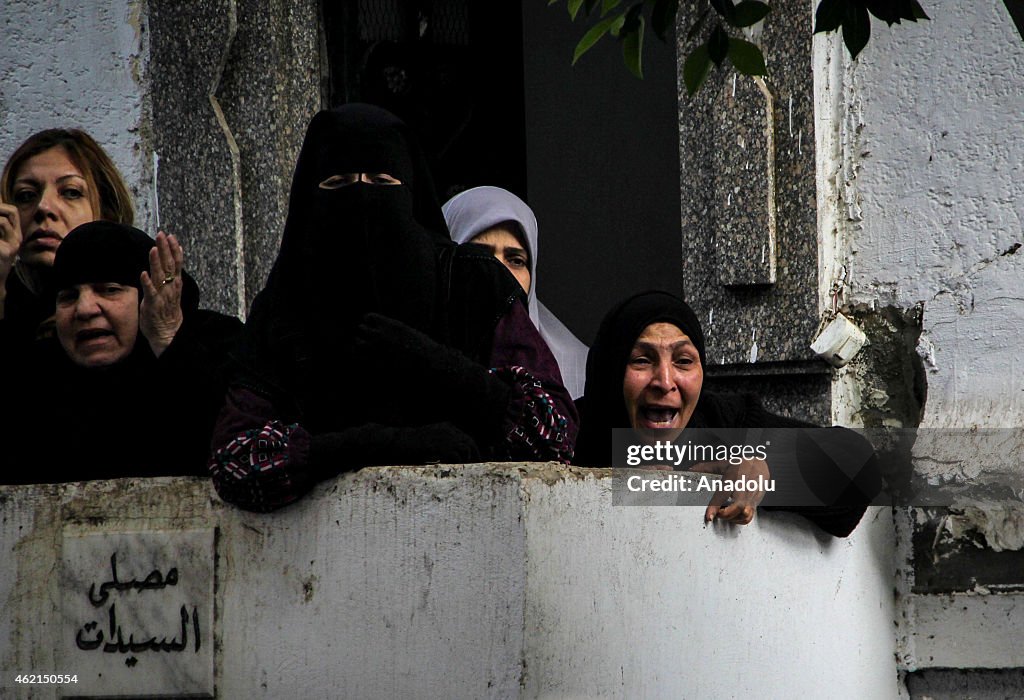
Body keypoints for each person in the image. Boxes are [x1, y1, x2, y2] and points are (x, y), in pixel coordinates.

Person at [209, 104, 577, 513]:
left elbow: (551, 434)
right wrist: (371, 445)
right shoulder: (286, 307)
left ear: (411, 194)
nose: (363, 198)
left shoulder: (474, 287)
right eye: (338, 183)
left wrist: (442, 367)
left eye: (383, 181)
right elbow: (235, 462)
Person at [574, 290, 879, 537]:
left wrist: (767, 473)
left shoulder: (722, 422)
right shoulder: (565, 431)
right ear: (609, 371)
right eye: (641, 360)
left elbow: (857, 466)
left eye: (683, 361)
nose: (665, 382)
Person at [2, 221, 241, 482]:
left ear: (148, 296)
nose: (84, 309)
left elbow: (235, 445)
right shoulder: (33, 378)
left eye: (109, 290)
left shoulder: (216, 343)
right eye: (68, 296)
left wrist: (168, 337)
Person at [442, 186, 589, 400]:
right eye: (480, 254)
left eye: (515, 260)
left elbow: (648, 436)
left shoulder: (581, 373)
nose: (499, 272)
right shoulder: (401, 356)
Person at [0, 129, 134, 343]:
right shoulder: (7, 296)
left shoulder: (143, 300)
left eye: (71, 192)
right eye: (26, 196)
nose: (43, 207)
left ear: (107, 210)